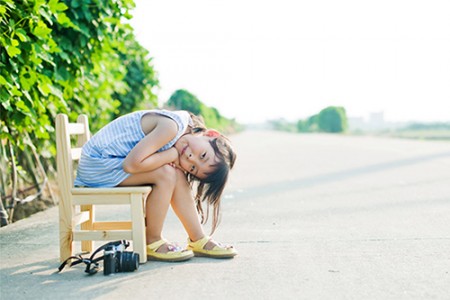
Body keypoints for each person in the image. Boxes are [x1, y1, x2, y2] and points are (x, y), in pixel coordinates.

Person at [74, 109, 237, 261]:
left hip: (107, 163)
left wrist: (172, 157)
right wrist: (172, 154)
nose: (190, 158)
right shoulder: (172, 127)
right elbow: (130, 166)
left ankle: (198, 239)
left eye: (193, 169)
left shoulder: (182, 131)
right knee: (166, 174)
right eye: (203, 155)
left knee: (176, 174)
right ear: (211, 134)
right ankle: (152, 241)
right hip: (97, 166)